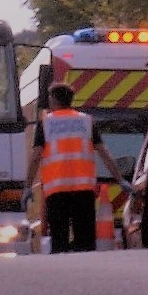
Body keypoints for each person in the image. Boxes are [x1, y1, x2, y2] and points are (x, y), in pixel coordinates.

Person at [32, 83, 99, 254]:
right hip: (84, 191)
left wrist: (27, 186)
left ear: (53, 99)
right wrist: (119, 179)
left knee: (59, 240)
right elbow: (104, 153)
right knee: (85, 242)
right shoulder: (86, 121)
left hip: (57, 191)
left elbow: (35, 157)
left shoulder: (46, 124)